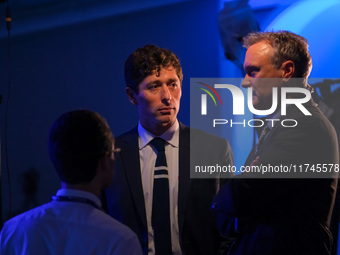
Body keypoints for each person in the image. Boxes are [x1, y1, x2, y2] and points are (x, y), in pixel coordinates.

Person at [213, 31, 339, 255]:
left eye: (253, 71)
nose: (244, 83)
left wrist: (234, 188)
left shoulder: (304, 126)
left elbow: (239, 198)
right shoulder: (285, 124)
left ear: (287, 71)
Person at [105, 45, 234, 255]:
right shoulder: (111, 155)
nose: (167, 96)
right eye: (154, 86)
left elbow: (229, 228)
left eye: (173, 84)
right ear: (132, 96)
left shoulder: (213, 149)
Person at [0, 110, 142, 255]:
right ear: (105, 161)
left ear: (55, 159)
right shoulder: (121, 240)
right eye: (114, 152)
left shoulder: (13, 230)